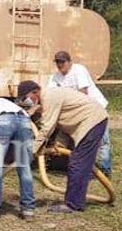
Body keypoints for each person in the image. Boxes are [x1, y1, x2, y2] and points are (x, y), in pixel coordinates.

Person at [17, 80, 109, 214]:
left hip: (93, 121)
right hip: (92, 121)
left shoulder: (50, 97)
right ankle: (76, 201)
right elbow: (63, 123)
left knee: (78, 164)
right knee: (78, 163)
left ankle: (73, 205)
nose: (27, 101)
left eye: (26, 97)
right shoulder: (49, 98)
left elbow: (47, 127)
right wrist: (59, 145)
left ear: (35, 92)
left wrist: (32, 150)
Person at [48, 50, 112, 177]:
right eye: (58, 62)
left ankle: (105, 169)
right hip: (77, 112)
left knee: (102, 140)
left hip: (95, 109)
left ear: (69, 62)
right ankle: (76, 166)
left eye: (62, 62)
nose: (60, 65)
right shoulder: (56, 77)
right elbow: (50, 94)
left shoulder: (78, 70)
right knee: (77, 138)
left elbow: (84, 93)